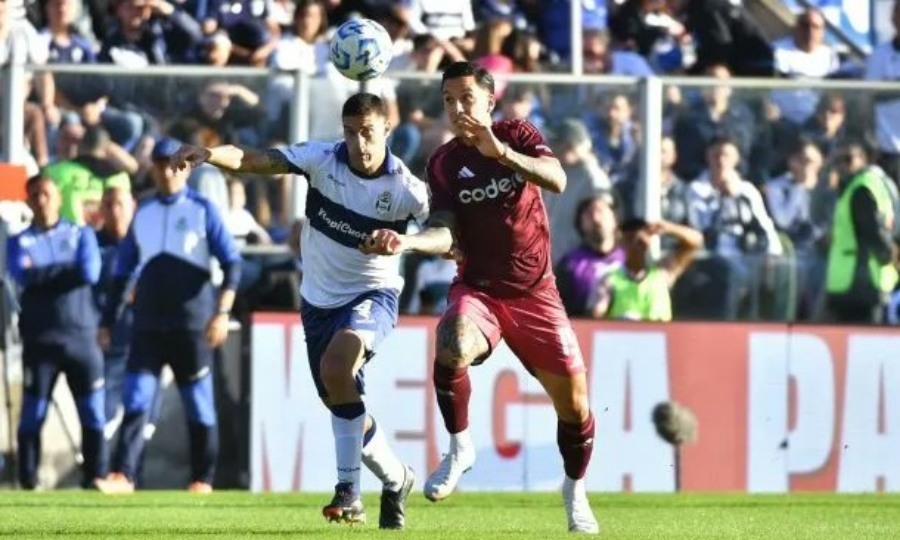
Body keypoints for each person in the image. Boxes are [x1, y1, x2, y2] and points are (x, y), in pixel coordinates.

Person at [361, 61, 600, 534]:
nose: (456, 108)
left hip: (536, 294)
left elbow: (556, 178)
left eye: (466, 98)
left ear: (490, 100)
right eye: (448, 100)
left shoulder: (518, 133)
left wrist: (502, 153)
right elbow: (445, 231)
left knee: (575, 407)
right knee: (451, 341)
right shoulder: (443, 163)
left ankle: (575, 491)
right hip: (480, 291)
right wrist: (407, 242)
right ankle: (459, 447)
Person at [169, 93, 427, 529]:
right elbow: (255, 159)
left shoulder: (405, 188)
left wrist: (407, 242)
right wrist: (210, 154)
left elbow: (444, 232)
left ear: (387, 129)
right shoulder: (322, 160)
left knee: (337, 367)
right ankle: (398, 478)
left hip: (372, 294)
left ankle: (348, 493)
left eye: (368, 133)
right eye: (350, 132)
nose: (359, 143)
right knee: (342, 401)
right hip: (318, 302)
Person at [94, 137, 242, 495]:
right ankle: (124, 474)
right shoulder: (143, 213)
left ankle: (202, 478)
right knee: (137, 398)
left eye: (174, 163)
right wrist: (108, 321)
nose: (167, 170)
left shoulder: (202, 210)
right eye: (160, 163)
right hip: (148, 325)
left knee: (198, 404)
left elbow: (232, 263)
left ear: (187, 168)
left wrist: (222, 312)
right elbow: (123, 273)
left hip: (191, 326)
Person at [6, 175, 107, 489]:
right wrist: (67, 269)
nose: (41, 200)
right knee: (32, 415)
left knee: (92, 413)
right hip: (41, 341)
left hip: (81, 339)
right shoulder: (19, 241)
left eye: (46, 194)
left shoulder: (80, 234)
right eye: (35, 195)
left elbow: (90, 271)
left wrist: (42, 274)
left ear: (58, 198)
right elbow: (21, 274)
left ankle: (95, 478)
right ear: (28, 201)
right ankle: (28, 482)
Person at [93, 186, 164, 486]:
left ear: (133, 206)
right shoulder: (94, 245)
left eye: (120, 204)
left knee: (144, 416)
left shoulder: (148, 240)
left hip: (147, 342)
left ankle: (133, 477)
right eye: (108, 204)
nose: (115, 211)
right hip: (111, 346)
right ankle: (98, 475)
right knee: (103, 416)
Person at [823, 140, 898, 323]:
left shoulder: (861, 188)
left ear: (864, 158)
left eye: (848, 159)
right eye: (838, 160)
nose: (842, 165)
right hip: (867, 281)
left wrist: (887, 255)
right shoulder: (875, 184)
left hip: (858, 282)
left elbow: (873, 232)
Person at [594, 218, 702, 321]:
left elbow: (695, 242)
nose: (637, 247)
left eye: (641, 242)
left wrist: (669, 228)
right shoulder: (610, 279)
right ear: (622, 243)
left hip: (660, 333)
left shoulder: (662, 272)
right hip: (624, 332)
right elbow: (597, 315)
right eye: (631, 240)